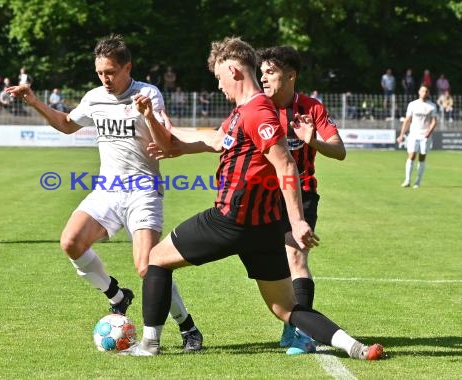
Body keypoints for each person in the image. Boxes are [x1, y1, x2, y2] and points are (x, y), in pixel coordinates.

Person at [122, 37, 384, 361]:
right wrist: (167, 133)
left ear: (233, 70)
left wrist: (299, 220)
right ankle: (355, 347)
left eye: (219, 78)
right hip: (263, 230)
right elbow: (213, 140)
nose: (219, 86)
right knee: (287, 308)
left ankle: (149, 344)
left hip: (229, 220)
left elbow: (285, 163)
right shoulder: (241, 112)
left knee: (155, 260)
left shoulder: (257, 111)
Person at [5, 35, 203, 352]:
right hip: (107, 189)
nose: (105, 79)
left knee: (148, 267)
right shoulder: (95, 97)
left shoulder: (148, 94)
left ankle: (188, 327)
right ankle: (117, 296)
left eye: (110, 71)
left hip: (142, 190)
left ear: (128, 67)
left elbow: (167, 144)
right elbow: (68, 124)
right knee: (70, 241)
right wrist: (33, 100)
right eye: (100, 73)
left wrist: (149, 114)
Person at [257, 45, 346, 354]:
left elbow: (340, 150)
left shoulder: (312, 108)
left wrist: (313, 140)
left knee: (296, 258)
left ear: (291, 75)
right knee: (274, 264)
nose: (263, 77)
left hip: (303, 193)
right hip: (264, 196)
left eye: (271, 72)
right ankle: (291, 320)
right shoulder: (258, 108)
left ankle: (303, 333)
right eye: (262, 72)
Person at [397, 84, 437, 189]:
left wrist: (429, 131)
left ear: (428, 93)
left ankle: (418, 181)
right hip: (413, 134)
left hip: (425, 136)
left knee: (422, 157)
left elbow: (434, 121)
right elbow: (407, 120)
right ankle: (407, 180)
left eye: (426, 91)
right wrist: (401, 134)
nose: (424, 93)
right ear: (419, 92)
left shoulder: (432, 106)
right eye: (422, 91)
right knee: (411, 156)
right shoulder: (412, 105)